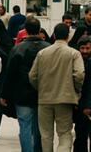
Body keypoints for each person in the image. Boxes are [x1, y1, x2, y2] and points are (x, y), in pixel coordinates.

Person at [29, 23, 85, 152]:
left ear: (54, 35)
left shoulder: (42, 53)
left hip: (44, 99)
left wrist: (40, 88)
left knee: (46, 135)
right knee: (64, 133)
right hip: (65, 99)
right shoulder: (74, 53)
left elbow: (32, 76)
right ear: (68, 36)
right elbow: (79, 74)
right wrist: (76, 90)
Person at [1, 17, 50, 152]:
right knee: (39, 127)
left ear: (25, 30)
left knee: (25, 126)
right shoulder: (48, 48)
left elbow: (10, 74)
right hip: (43, 94)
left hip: (22, 94)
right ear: (39, 30)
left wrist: (4, 94)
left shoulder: (18, 49)